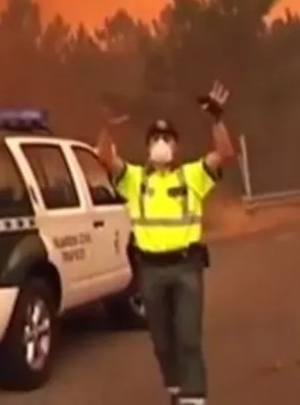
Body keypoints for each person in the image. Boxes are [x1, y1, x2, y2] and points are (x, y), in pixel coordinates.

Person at [96, 81, 236, 405]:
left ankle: (193, 398)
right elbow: (105, 159)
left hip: (186, 268)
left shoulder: (191, 176)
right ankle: (175, 387)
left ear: (176, 146)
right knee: (161, 341)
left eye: (167, 138)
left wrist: (217, 120)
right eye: (155, 139)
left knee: (188, 338)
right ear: (148, 147)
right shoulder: (135, 179)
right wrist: (108, 128)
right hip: (150, 271)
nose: (161, 143)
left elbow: (224, 155)